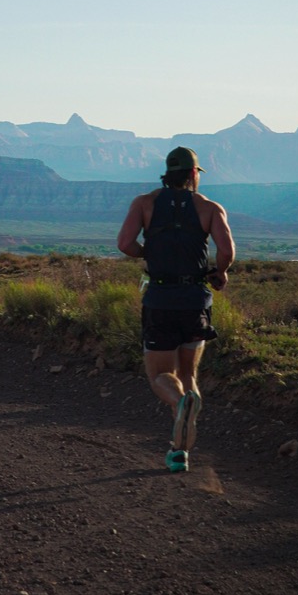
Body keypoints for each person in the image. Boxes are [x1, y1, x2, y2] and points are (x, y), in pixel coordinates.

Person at [117, 146, 235, 473]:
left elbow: (125, 243)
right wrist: (219, 272)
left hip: (160, 299)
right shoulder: (210, 208)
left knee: (159, 375)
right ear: (194, 174)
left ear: (167, 174)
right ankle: (179, 453)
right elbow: (226, 250)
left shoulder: (144, 204)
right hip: (196, 300)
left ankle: (179, 404)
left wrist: (149, 253)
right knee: (188, 374)